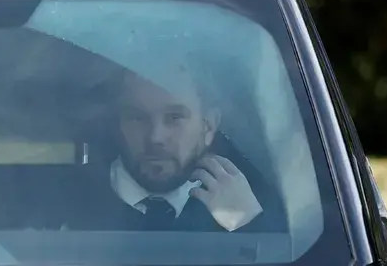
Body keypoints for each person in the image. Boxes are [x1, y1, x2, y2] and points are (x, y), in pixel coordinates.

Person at [61, 60, 266, 233]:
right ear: (117, 124)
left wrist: (248, 225)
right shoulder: (62, 203)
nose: (155, 137)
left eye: (174, 117)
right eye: (137, 118)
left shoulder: (251, 202)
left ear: (209, 126)